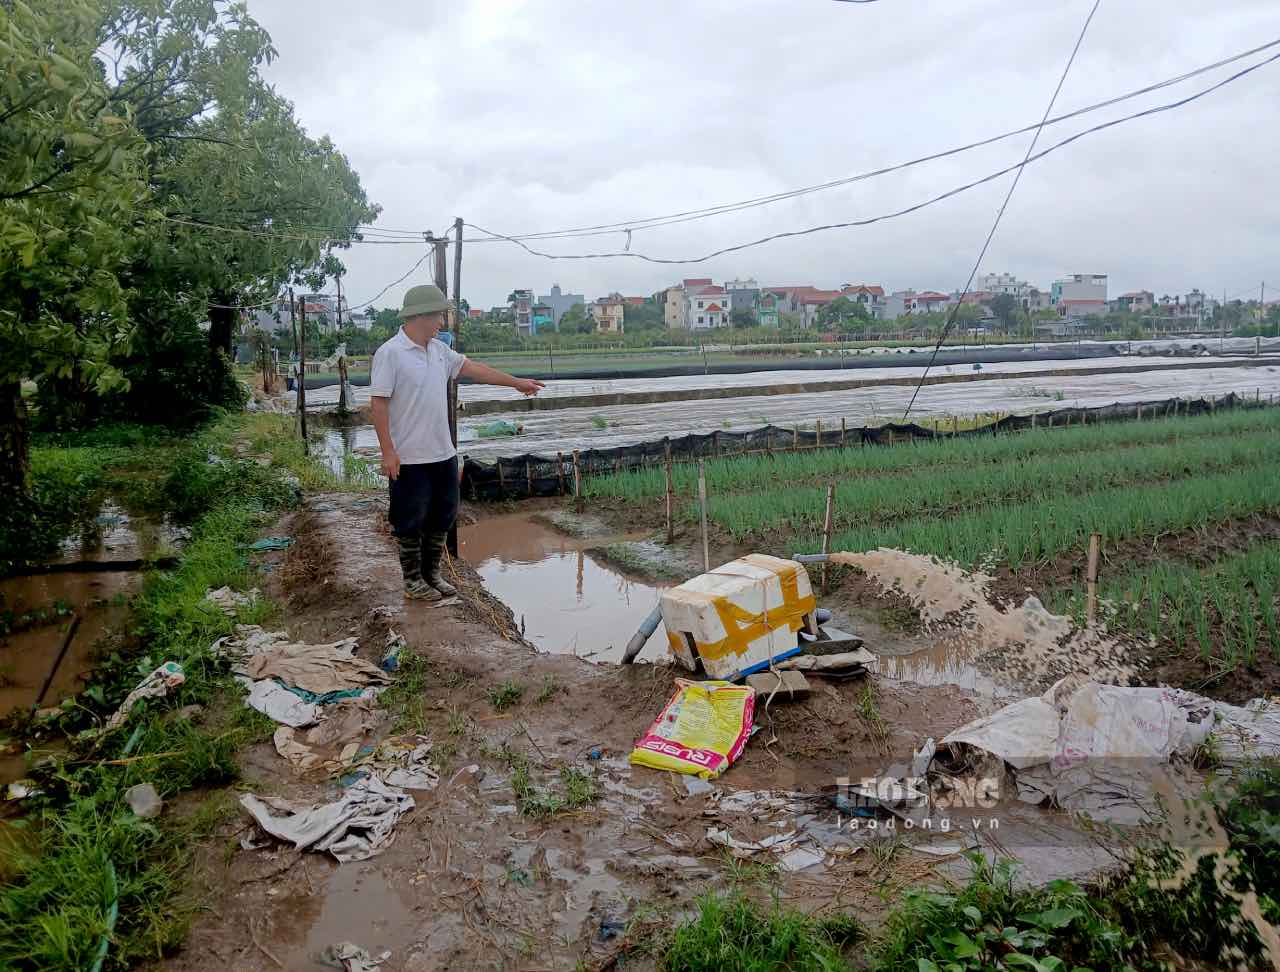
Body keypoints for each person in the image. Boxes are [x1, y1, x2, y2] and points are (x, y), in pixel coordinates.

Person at [370, 284, 543, 600]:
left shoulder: (439, 352)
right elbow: (378, 403)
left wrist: (516, 383)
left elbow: (476, 369)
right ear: (420, 316)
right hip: (408, 457)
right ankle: (412, 582)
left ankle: (432, 574)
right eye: (438, 316)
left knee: (443, 515)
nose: (441, 322)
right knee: (410, 519)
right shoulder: (390, 353)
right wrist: (388, 452)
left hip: (443, 453)